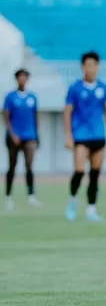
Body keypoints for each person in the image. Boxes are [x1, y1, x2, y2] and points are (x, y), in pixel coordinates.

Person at [64, 51, 106, 222]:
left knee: (95, 174)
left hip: (99, 136)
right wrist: (68, 135)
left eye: (94, 65)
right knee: (79, 171)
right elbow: (67, 112)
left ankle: (91, 209)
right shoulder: (75, 88)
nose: (91, 68)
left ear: (98, 67)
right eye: (87, 65)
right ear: (82, 67)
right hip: (81, 136)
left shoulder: (102, 88)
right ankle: (72, 200)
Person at [4, 68, 40, 210]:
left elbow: (35, 116)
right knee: (12, 167)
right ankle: (8, 197)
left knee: (29, 166)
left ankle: (31, 196)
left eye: (25, 77)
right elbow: (6, 117)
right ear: (16, 79)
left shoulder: (32, 97)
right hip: (14, 137)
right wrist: (12, 134)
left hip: (29, 136)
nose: (22, 79)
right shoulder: (10, 97)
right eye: (20, 77)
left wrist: (37, 135)